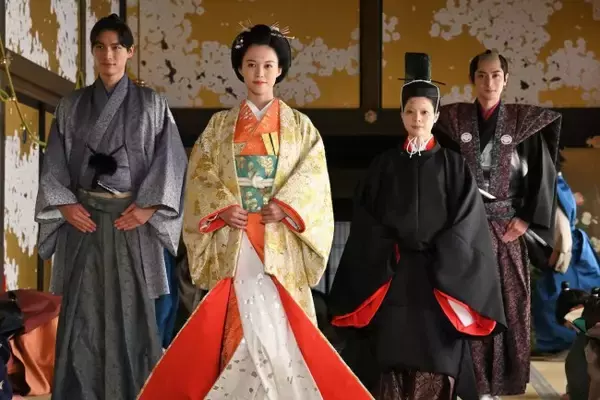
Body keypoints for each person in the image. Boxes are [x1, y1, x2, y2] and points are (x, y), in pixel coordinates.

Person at [137, 23, 372, 399]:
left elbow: (313, 179)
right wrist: (223, 209)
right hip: (237, 236)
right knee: (239, 321)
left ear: (279, 70)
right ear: (240, 69)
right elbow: (201, 176)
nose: (259, 73)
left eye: (267, 65)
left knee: (280, 328)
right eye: (251, 65)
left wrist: (286, 206)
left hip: (278, 236)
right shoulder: (219, 127)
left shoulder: (301, 128)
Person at [327, 52, 506, 400]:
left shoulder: (454, 166)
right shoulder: (383, 165)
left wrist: (440, 251)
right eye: (410, 112)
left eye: (425, 112)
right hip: (392, 273)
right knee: (389, 353)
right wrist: (391, 245)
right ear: (401, 115)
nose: (417, 119)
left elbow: (467, 221)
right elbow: (366, 219)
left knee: (436, 354)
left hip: (439, 276)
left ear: (436, 116)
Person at [34, 14, 187, 400]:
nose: (108, 55)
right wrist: (65, 206)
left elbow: (171, 162)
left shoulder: (152, 105)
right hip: (83, 221)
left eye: (117, 47)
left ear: (130, 52)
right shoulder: (71, 106)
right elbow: (54, 163)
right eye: (100, 47)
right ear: (92, 52)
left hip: (131, 223)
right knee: (82, 311)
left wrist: (149, 208)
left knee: (134, 312)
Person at [434, 49, 562, 398]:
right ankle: (469, 380)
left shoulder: (522, 123)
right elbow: (442, 171)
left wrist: (527, 219)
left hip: (507, 229)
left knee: (509, 302)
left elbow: (543, 173)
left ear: (505, 80)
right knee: (468, 300)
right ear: (472, 79)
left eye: (495, 76)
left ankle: (501, 381)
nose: (488, 82)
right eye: (481, 75)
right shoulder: (453, 121)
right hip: (466, 227)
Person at [532, 151, 600, 355]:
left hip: (567, 245)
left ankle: (568, 340)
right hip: (568, 244)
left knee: (566, 293)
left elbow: (561, 225)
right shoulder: (554, 181)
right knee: (564, 292)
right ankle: (572, 339)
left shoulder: (550, 182)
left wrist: (563, 249)